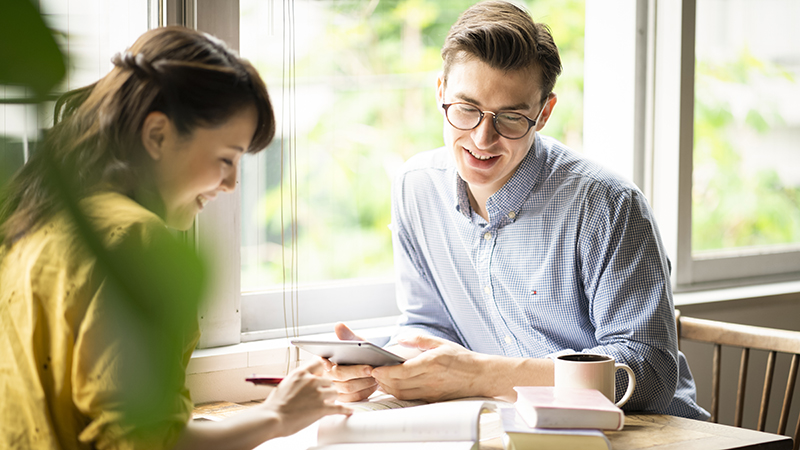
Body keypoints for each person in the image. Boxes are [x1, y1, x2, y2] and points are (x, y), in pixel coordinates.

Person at [325, 0, 710, 420]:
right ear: (441, 92)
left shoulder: (608, 204)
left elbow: (648, 376)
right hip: (521, 427)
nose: (482, 138)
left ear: (543, 113)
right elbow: (430, 325)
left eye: (510, 117)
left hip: (650, 435)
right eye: (466, 109)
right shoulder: (415, 187)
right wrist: (385, 365)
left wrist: (480, 375)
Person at [0, 27, 350, 450]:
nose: (232, 183)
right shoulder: (137, 243)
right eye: (226, 159)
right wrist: (275, 416)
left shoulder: (33, 219)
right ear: (158, 135)